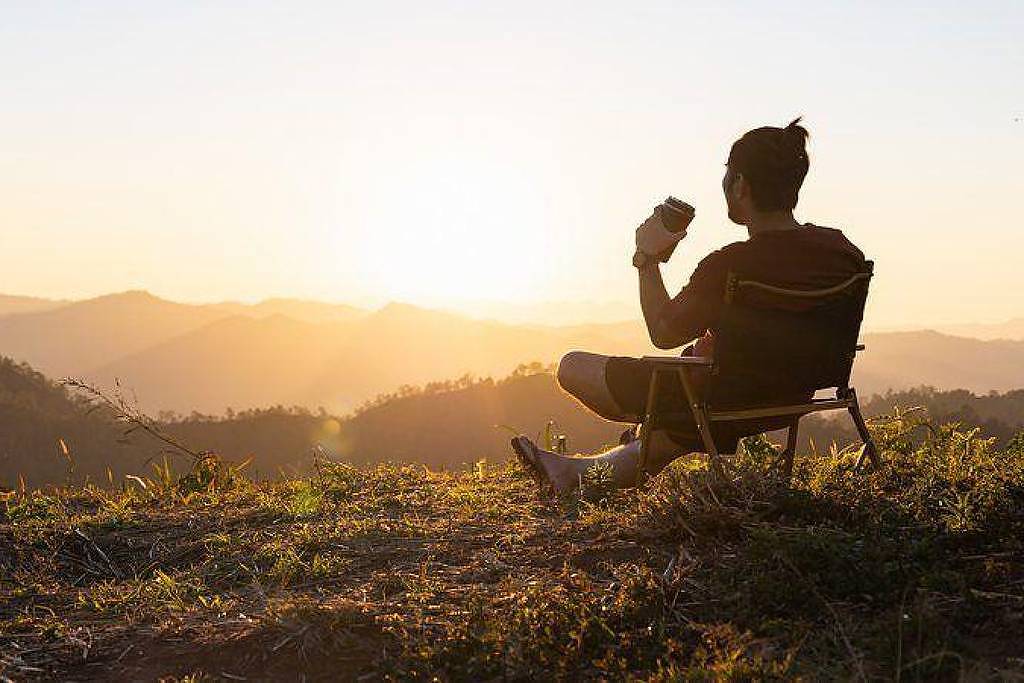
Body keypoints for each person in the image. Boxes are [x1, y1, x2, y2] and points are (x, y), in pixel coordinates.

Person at [512, 118, 868, 491]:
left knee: (572, 366)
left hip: (721, 400)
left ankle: (605, 456)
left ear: (741, 184)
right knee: (677, 416)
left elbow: (663, 333)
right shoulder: (842, 251)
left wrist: (647, 261)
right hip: (794, 393)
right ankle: (576, 472)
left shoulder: (728, 266)